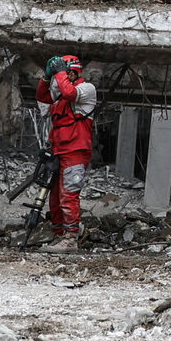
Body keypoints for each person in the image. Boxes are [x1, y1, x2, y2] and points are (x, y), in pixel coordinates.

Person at [35, 54, 97, 251]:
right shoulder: (60, 93)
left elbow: (70, 93)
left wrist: (60, 72)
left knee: (68, 195)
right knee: (55, 196)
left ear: (72, 73)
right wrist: (46, 77)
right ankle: (59, 234)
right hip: (59, 150)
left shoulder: (87, 89)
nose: (58, 79)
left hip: (76, 151)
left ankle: (71, 239)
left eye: (63, 73)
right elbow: (42, 96)